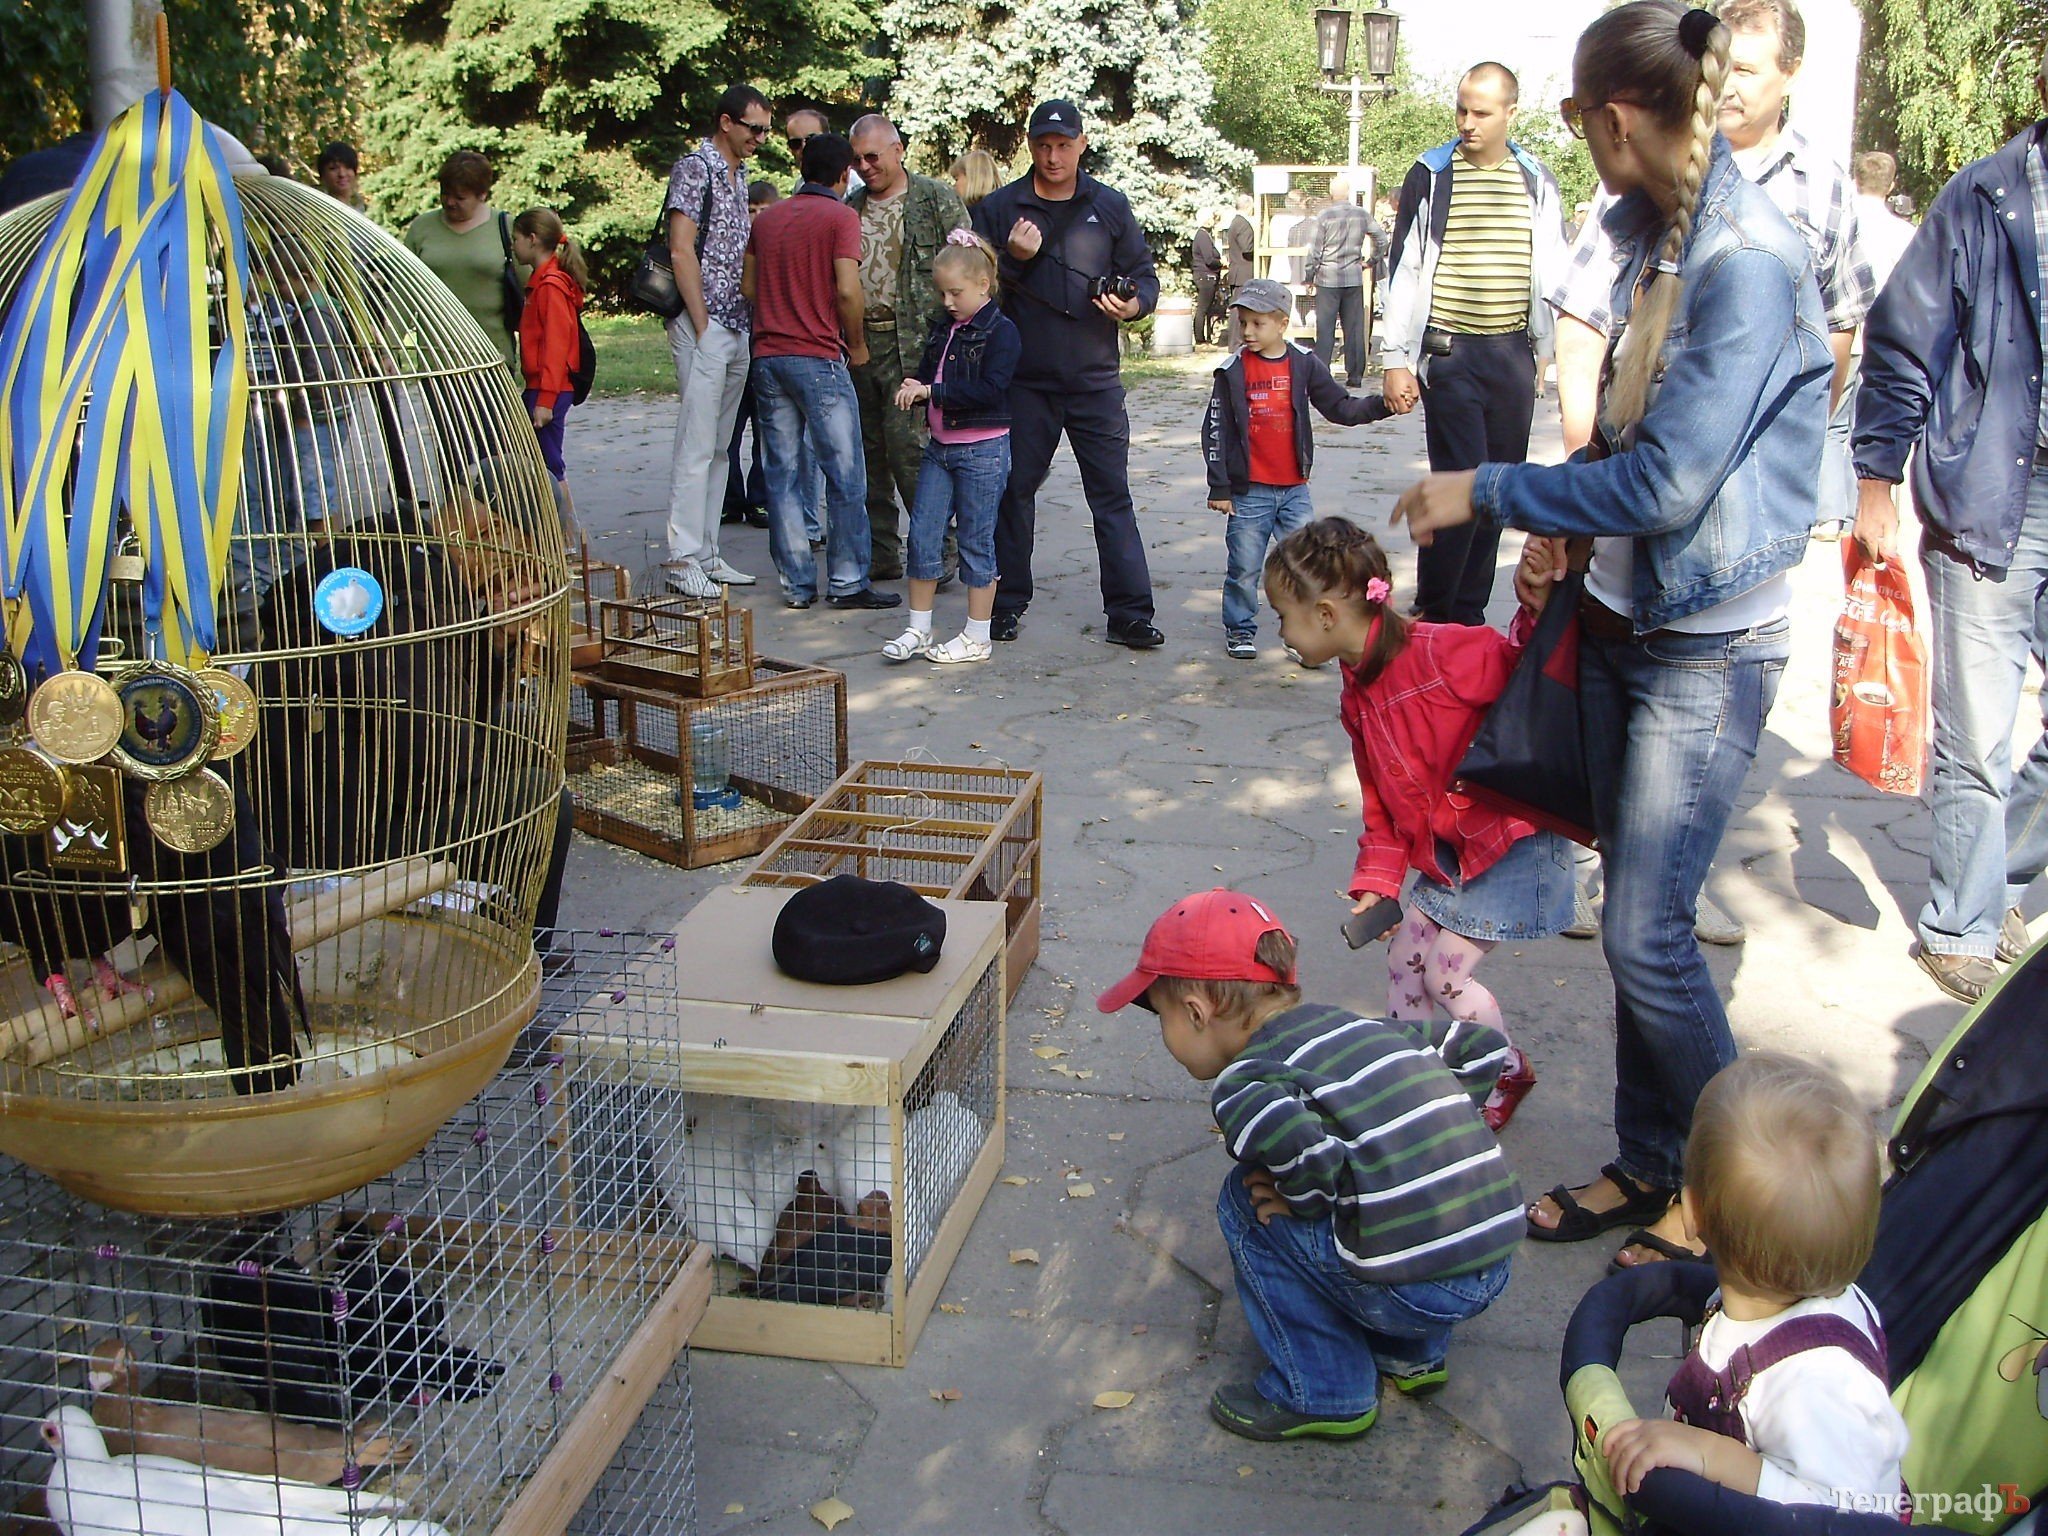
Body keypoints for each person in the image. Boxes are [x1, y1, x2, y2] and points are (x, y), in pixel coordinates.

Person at [1390, 1, 1831, 1272]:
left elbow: (1669, 488)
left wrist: (1495, 490)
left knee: (1642, 935)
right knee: (1643, 929)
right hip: (1630, 617)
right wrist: (1564, 536)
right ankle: (1654, 1164)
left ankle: (1753, 1215)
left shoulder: (1744, 258)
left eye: (1582, 124)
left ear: (1614, 118)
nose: (1584, 146)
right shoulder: (1656, 231)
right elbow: (1629, 437)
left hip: (1706, 638)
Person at [1096, 888, 1519, 1442]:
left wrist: (1301, 1198)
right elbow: (1482, 1047)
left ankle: (1324, 1388)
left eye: (1163, 1018)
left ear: (1197, 1013)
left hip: (1414, 1292)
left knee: (1245, 1200)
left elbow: (1308, 1154)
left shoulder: (1247, 1082)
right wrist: (1432, 1124)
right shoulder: (1367, 1029)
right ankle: (1411, 1357)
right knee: (1397, 1195)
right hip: (1492, 1261)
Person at [1852, 45, 2048, 1004]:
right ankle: (1961, 927)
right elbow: (1900, 342)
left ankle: (2001, 875)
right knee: (1980, 730)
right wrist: (1878, 477)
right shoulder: (1986, 198)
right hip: (1995, 498)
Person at [1265, 518, 1568, 1131]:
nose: (1281, 633)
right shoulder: (1357, 696)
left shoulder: (1438, 652)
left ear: (1325, 614)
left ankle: (1502, 1068)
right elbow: (1379, 799)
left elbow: (1525, 669)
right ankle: (1417, 1076)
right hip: (1452, 852)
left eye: (1283, 616)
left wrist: (1537, 608)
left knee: (1445, 975)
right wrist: (1377, 881)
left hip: (1510, 844)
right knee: (1404, 959)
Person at [1601, 1054, 1910, 1512]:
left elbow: (1846, 1511)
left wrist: (1710, 1454)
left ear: (1691, 1213)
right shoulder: (1761, 1302)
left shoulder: (1819, 1384)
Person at [1381, 62, 1568, 626]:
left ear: (1511, 112)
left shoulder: (1535, 178)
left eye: (1481, 112)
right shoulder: (1432, 174)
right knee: (1460, 481)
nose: (1468, 122)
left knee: (1498, 489)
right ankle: (1437, 612)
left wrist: (1546, 352)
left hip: (1511, 354)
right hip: (1450, 353)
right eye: (1461, 109)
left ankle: (1469, 615)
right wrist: (1396, 359)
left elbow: (1553, 268)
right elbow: (1405, 269)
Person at [972, 100, 1161, 647]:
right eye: (1043, 145)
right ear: (1030, 146)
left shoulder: (1110, 205)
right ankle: (1003, 604)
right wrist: (1012, 258)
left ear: (1081, 144)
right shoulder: (1002, 207)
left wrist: (1136, 305)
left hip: (1094, 381)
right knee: (1014, 493)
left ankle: (1129, 613)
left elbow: (1144, 276)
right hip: (1024, 382)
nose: (1053, 156)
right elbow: (971, 289)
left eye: (1063, 144)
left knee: (1111, 496)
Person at [744, 132, 900, 612]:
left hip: (768, 357)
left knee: (783, 473)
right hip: (818, 356)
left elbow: (749, 284)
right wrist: (855, 344)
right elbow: (849, 290)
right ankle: (848, 580)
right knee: (845, 470)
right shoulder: (840, 216)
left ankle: (796, 584)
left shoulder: (767, 220)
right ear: (843, 174)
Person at [1201, 281, 1395, 660]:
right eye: (1243, 323)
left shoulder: (1303, 363)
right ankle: (1240, 628)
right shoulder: (1233, 370)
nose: (1248, 333)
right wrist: (1219, 485)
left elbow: (1341, 407)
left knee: (1308, 567)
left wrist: (1382, 405)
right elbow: (1215, 429)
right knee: (1244, 566)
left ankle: (1304, 635)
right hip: (1249, 491)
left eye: (1258, 324)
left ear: (1282, 324)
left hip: (1294, 490)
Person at [884, 231, 1022, 665]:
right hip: (940, 448)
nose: (947, 300)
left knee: (976, 541)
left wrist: (932, 392)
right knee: (923, 535)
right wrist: (916, 385)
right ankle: (918, 629)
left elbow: (990, 389)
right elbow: (931, 372)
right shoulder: (944, 329)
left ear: (983, 285)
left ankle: (977, 636)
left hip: (982, 449)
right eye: (942, 291)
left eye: (956, 292)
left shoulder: (1001, 332)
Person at [846, 115, 972, 583]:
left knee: (913, 459)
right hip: (861, 344)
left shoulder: (936, 199)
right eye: (856, 159)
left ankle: (936, 552)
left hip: (916, 348)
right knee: (867, 456)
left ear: (898, 150)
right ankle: (881, 555)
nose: (864, 166)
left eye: (872, 156)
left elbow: (969, 267)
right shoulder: (851, 206)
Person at [661, 85, 771, 600]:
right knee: (696, 443)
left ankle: (707, 552)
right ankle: (682, 556)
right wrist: (702, 323)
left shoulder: (738, 173)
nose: (760, 138)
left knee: (720, 447)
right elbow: (681, 249)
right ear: (726, 122)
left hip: (736, 323)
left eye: (766, 129)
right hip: (704, 324)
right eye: (754, 128)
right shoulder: (695, 168)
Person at [404, 150, 525, 379]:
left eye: (460, 197)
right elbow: (402, 292)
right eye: (445, 194)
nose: (450, 202)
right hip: (437, 363)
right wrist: (388, 348)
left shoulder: (506, 228)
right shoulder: (421, 228)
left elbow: (533, 292)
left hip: (491, 360)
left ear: (482, 195)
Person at [510, 207, 588, 540]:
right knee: (543, 461)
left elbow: (557, 347)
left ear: (531, 239)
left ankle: (568, 536)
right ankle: (559, 534)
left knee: (551, 465)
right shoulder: (542, 281)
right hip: (541, 385)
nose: (513, 246)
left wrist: (545, 400)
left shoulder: (551, 286)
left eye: (516, 239)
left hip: (549, 388)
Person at [722, 181, 784, 533]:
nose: (758, 217)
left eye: (765, 209)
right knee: (729, 428)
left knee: (766, 429)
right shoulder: (732, 245)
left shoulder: (780, 245)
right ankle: (730, 500)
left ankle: (760, 497)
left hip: (764, 348)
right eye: (751, 209)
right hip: (735, 345)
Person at [1302, 176, 1379, 387]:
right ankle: (1355, 376)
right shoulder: (1362, 214)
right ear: (1348, 192)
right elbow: (1382, 239)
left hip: (1328, 278)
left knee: (1325, 329)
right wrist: (1371, 261)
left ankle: (1321, 375)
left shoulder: (1324, 217)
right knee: (1354, 329)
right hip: (1353, 278)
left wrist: (1309, 277)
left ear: (1330, 193)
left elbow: (1315, 251)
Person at [1849, 151, 1914, 297]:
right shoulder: (1905, 235)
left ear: (1856, 180)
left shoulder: (1837, 224)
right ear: (1891, 186)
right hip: (1883, 314)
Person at [1224, 196, 1257, 348]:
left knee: (1238, 308)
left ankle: (1236, 342)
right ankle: (1236, 343)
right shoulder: (1243, 224)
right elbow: (1247, 248)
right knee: (1238, 310)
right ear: (1248, 206)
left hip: (1238, 273)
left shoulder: (1236, 222)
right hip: (1243, 273)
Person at [1191, 209, 1224, 347]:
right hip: (1205, 276)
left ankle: (1206, 337)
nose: (1212, 220)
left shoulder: (1205, 235)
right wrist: (1222, 263)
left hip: (1208, 276)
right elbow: (1209, 259)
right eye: (1210, 218)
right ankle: (1200, 339)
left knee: (1207, 308)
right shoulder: (1202, 236)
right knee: (1203, 308)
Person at [316, 142, 366, 212]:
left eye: (348, 167)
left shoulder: (363, 210)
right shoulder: (318, 212)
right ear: (323, 175)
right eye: (333, 168)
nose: (342, 174)